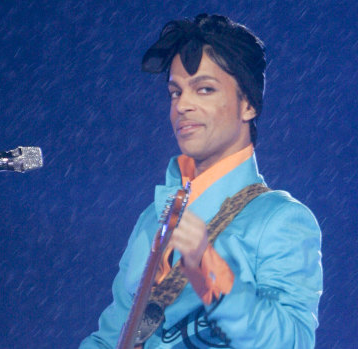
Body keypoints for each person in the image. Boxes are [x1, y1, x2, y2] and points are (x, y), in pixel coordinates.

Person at [80, 14, 322, 349]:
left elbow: (291, 342)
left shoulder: (280, 219)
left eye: (204, 89)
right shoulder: (152, 220)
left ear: (248, 104)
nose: (183, 105)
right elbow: (111, 338)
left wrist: (208, 270)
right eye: (175, 92)